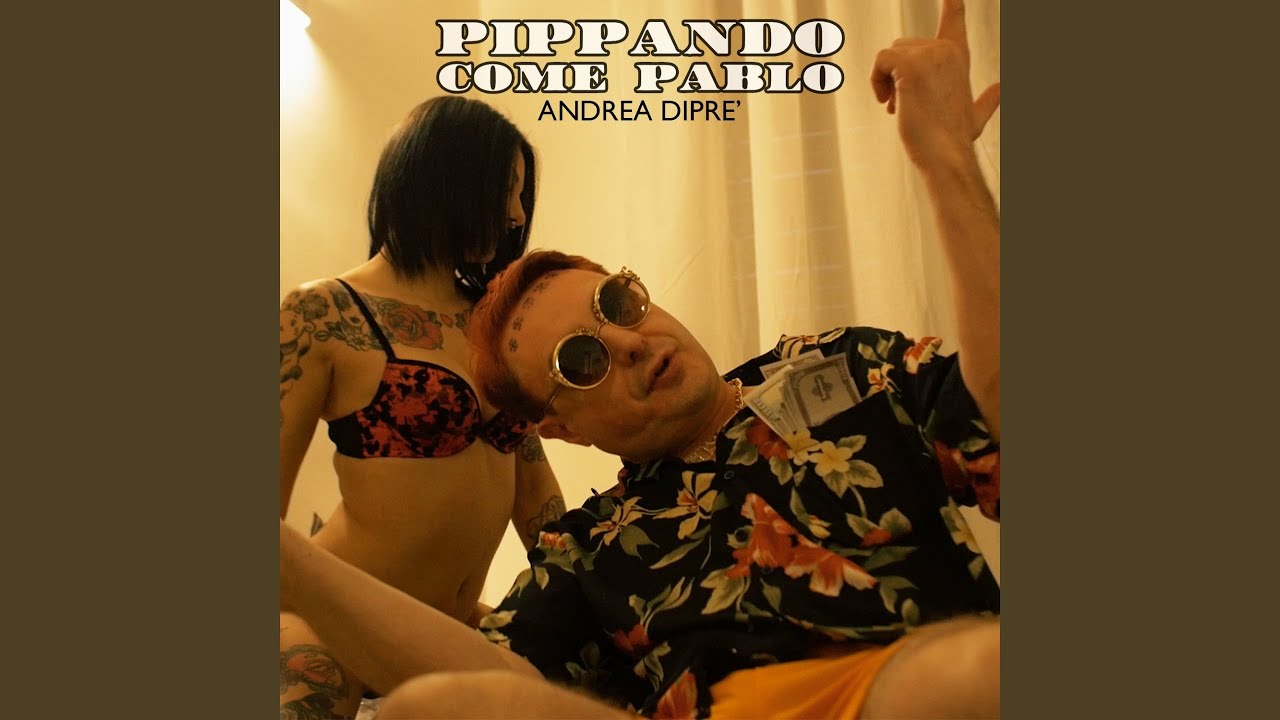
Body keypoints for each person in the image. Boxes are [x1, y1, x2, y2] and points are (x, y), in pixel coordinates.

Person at [279, 1, 1000, 717]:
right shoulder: (596, 548)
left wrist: (947, 159)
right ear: (560, 427)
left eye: (617, 304)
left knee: (956, 677)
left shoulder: (847, 370)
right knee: (434, 708)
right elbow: (499, 671)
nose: (627, 342)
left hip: (939, 682)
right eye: (580, 360)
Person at [278, 96, 566, 719]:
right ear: (445, 180)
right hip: (331, 627)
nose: (517, 215)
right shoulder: (324, 313)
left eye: (521, 195)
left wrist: (583, 594)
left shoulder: (496, 324)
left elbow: (536, 495)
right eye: (506, 190)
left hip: (447, 633)